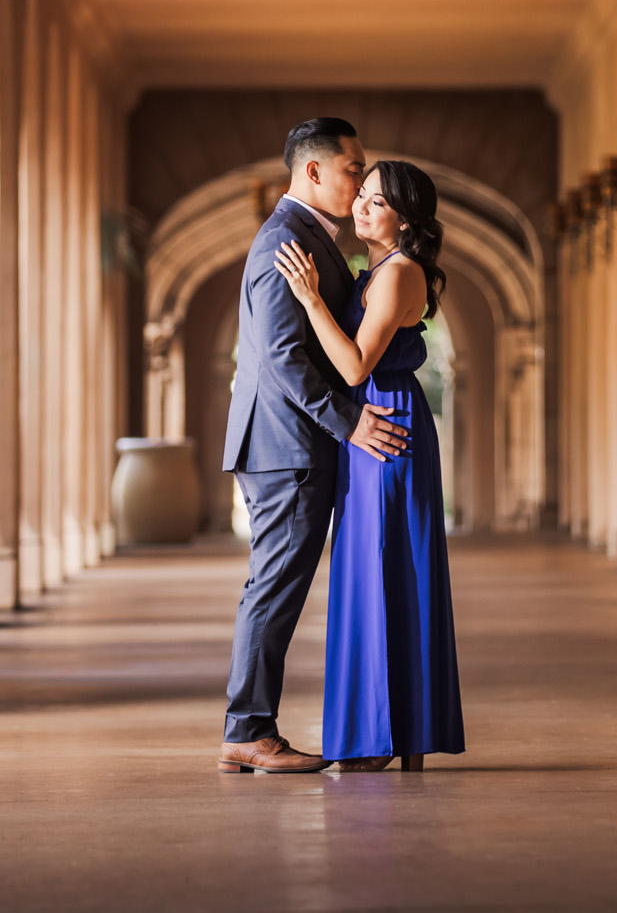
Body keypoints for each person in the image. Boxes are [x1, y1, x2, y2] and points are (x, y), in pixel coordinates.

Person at [218, 118, 411, 775]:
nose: (362, 181)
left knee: (276, 583)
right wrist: (349, 421)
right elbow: (283, 357)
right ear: (314, 172)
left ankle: (248, 726)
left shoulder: (308, 238)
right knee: (274, 584)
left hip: (288, 443)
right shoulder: (284, 239)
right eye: (354, 169)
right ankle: (247, 729)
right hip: (287, 446)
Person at [274, 158, 465, 772]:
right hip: (371, 423)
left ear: (404, 219)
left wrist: (308, 300)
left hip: (384, 424)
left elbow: (356, 366)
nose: (359, 204)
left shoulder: (397, 273)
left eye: (376, 201)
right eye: (364, 195)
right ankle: (394, 730)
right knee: (375, 572)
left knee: (384, 572)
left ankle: (381, 736)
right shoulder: (378, 269)